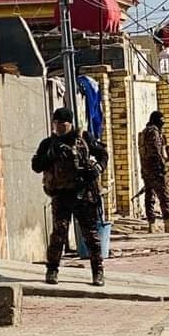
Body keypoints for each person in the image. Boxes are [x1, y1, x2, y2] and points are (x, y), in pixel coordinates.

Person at [31, 107, 109, 286]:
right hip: (61, 195)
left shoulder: (84, 138)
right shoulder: (48, 144)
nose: (59, 127)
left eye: (62, 124)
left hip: (83, 194)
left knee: (91, 235)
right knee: (59, 234)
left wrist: (96, 169)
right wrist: (50, 156)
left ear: (70, 124)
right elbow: (36, 165)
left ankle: (98, 272)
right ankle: (52, 270)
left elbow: (103, 155)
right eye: (56, 123)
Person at [138, 111, 169, 233]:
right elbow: (156, 151)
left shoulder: (144, 133)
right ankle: (168, 223)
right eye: (161, 120)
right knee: (164, 196)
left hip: (146, 169)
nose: (163, 123)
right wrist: (162, 166)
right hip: (155, 169)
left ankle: (152, 224)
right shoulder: (154, 132)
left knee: (149, 196)